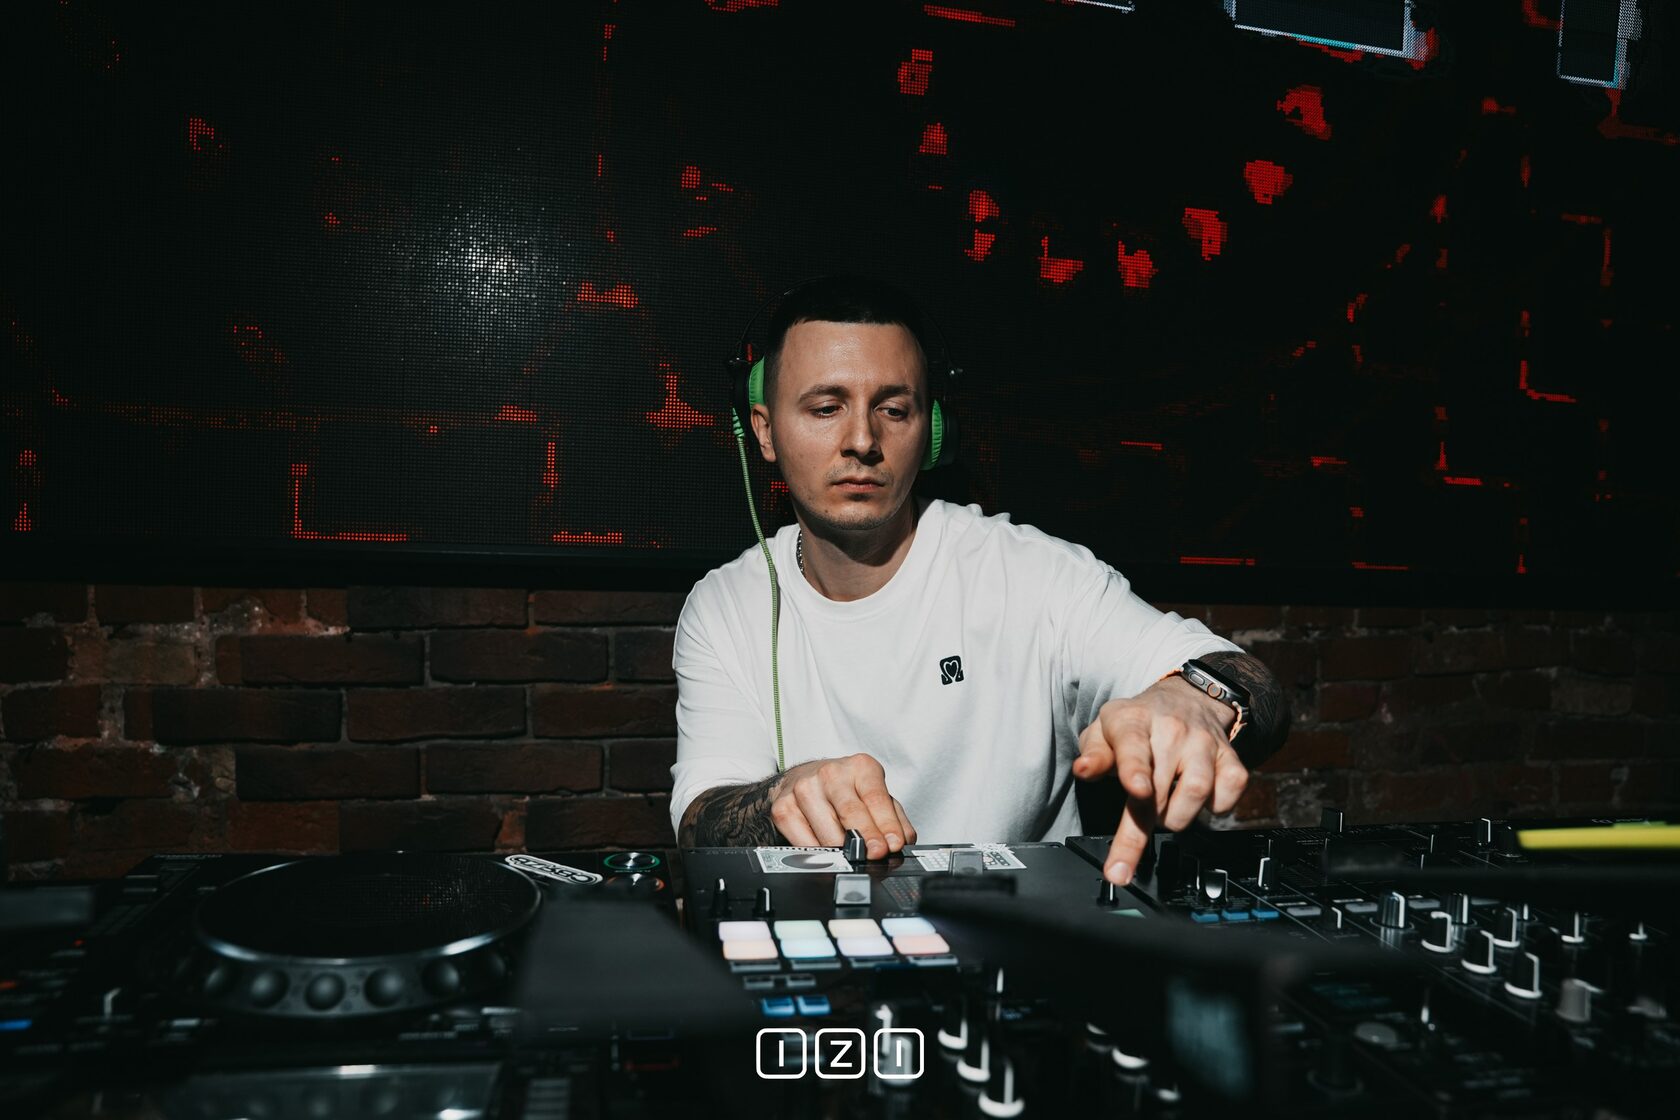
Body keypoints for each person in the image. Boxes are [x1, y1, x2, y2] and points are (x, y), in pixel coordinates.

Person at [670, 277, 1289, 886]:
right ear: (765, 430)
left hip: (1019, 935)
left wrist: (1197, 700)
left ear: (932, 433)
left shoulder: (1032, 575)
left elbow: (1250, 684)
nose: (862, 441)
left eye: (894, 410)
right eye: (826, 408)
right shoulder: (726, 606)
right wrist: (784, 794)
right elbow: (701, 823)